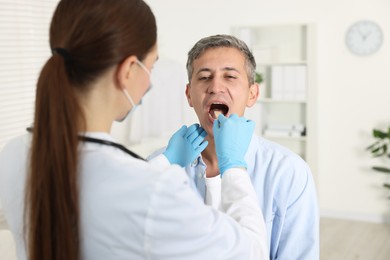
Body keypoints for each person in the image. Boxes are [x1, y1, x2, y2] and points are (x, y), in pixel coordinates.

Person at [0, 2, 269, 260]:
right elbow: (252, 253)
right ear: (129, 70)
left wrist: (164, 163)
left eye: (230, 76)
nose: (215, 87)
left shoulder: (14, 154)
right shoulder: (153, 187)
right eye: (151, 66)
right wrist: (233, 166)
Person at [150, 34, 319, 260]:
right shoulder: (160, 165)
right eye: (204, 77)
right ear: (189, 95)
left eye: (230, 76)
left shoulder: (289, 172)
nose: (215, 87)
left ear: (252, 94)